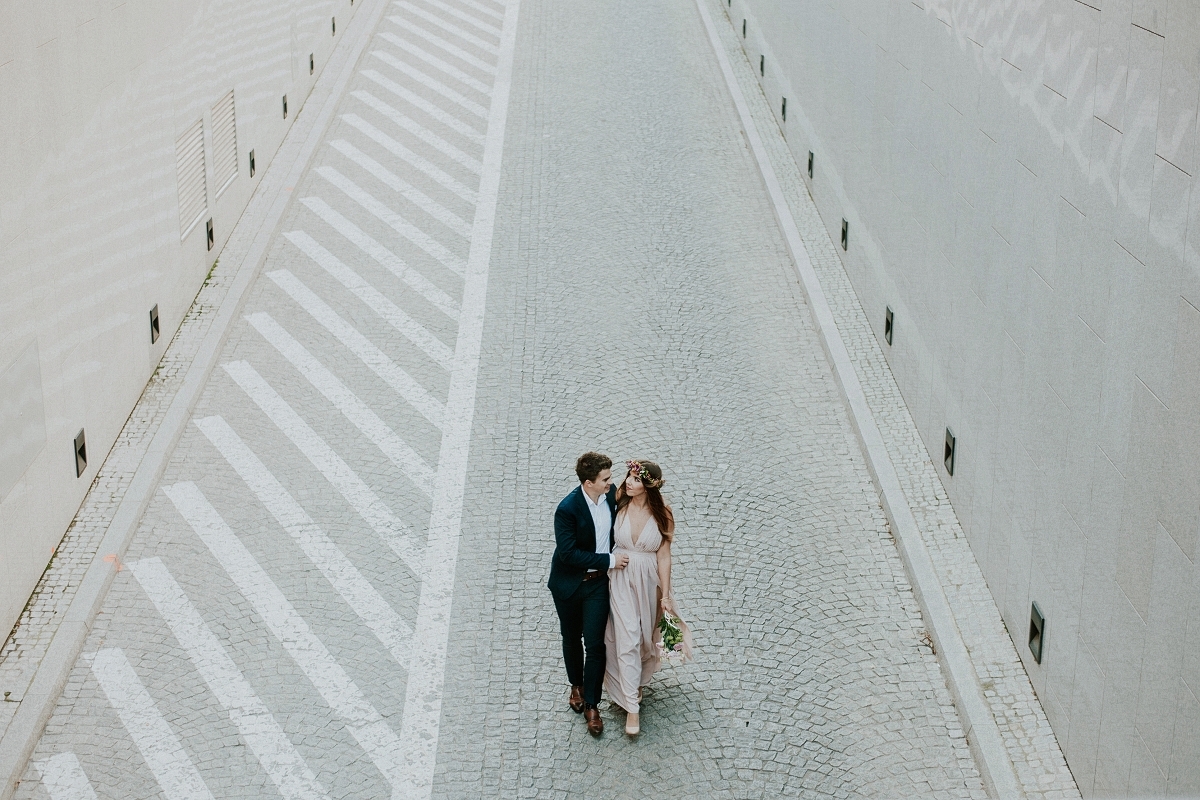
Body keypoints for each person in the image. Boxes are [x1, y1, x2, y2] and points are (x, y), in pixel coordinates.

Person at [603, 459, 689, 736]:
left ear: (648, 485)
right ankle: (632, 708)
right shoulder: (619, 503)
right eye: (629, 476)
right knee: (627, 636)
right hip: (620, 578)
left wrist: (665, 594)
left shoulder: (663, 513)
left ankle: (636, 681)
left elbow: (664, 555)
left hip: (649, 581)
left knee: (644, 636)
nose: (628, 482)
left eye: (636, 479)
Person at [548, 452, 630, 736]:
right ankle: (576, 686)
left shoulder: (610, 497)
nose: (611, 483)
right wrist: (608, 560)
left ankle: (593, 704)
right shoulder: (567, 509)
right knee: (571, 638)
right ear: (588, 482)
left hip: (597, 585)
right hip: (569, 585)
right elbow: (568, 554)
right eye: (606, 479)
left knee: (595, 644)